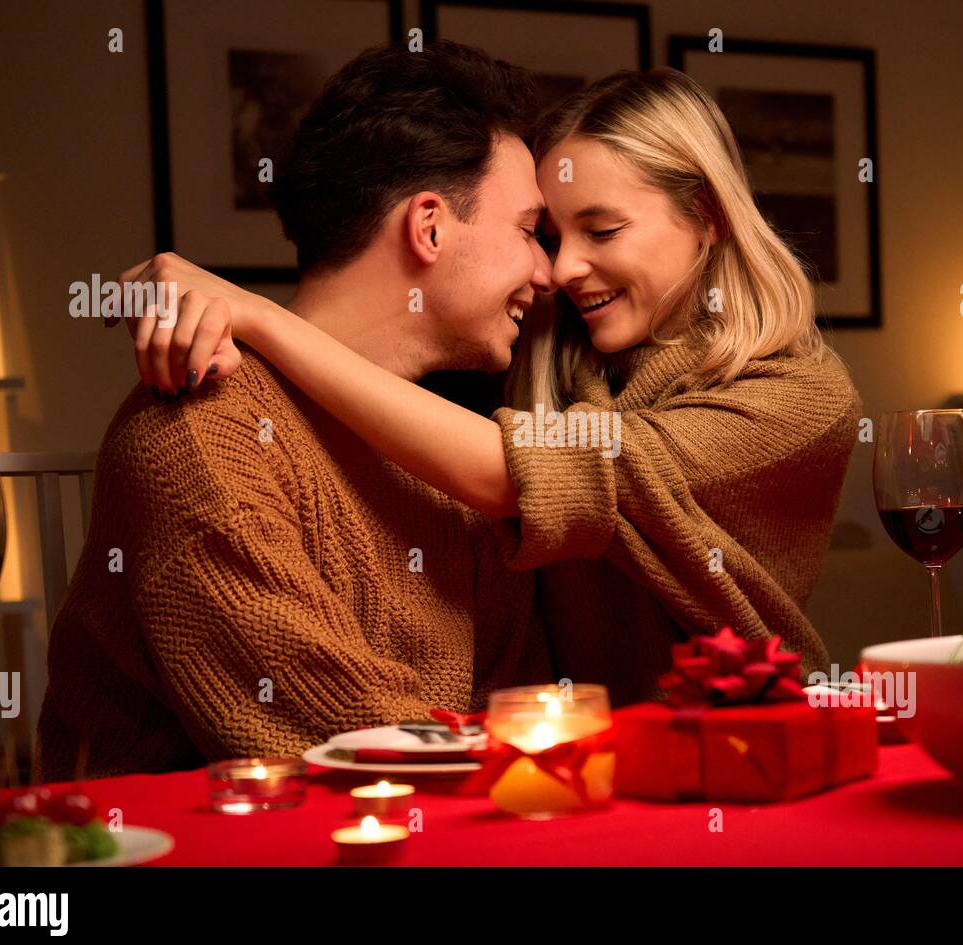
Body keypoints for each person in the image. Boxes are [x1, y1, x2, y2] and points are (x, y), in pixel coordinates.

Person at [129, 67, 862, 706]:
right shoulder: (524, 361)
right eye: (540, 235)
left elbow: (515, 473)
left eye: (600, 232)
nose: (559, 271)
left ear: (706, 216)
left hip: (742, 755)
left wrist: (256, 314)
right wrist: (176, 306)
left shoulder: (797, 396)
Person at [37, 41, 555, 781]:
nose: (546, 272)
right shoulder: (201, 433)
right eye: (529, 231)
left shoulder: (449, 458)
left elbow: (518, 718)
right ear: (430, 226)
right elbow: (351, 751)